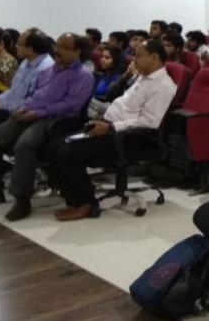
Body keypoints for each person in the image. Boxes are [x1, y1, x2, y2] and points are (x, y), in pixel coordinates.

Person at [52, 40, 177, 220]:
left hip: (128, 138)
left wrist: (110, 127)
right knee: (57, 141)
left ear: (154, 57)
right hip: (110, 126)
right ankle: (72, 197)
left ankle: (86, 204)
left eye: (138, 55)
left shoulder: (163, 85)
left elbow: (149, 122)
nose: (133, 59)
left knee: (70, 152)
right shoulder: (143, 77)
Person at [0, 34, 95, 220]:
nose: (57, 50)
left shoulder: (83, 76)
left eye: (64, 47)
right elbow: (36, 96)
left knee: (23, 146)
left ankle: (22, 200)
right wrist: (24, 107)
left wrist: (37, 113)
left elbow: (71, 106)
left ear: (77, 52)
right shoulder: (51, 71)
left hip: (54, 120)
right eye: (57, 45)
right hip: (31, 113)